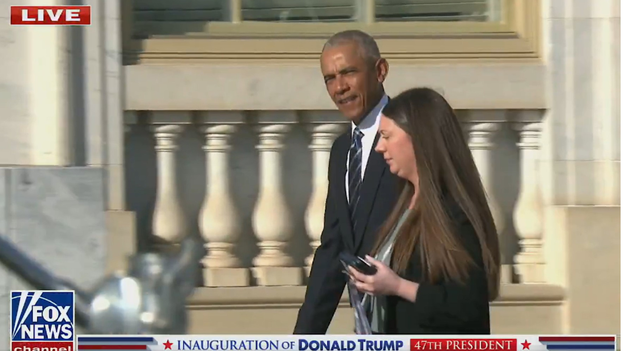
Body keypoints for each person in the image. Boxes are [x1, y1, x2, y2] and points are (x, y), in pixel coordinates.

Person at [347, 87, 501, 334]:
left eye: (387, 136)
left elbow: (467, 306)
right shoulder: (402, 203)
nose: (379, 147)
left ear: (418, 138)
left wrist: (397, 286)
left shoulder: (454, 214)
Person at [293, 30, 402, 334]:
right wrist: (302, 339)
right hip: (367, 330)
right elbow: (333, 250)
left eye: (348, 73)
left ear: (380, 71)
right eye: (329, 78)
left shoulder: (413, 136)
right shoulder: (342, 151)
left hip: (415, 327)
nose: (339, 87)